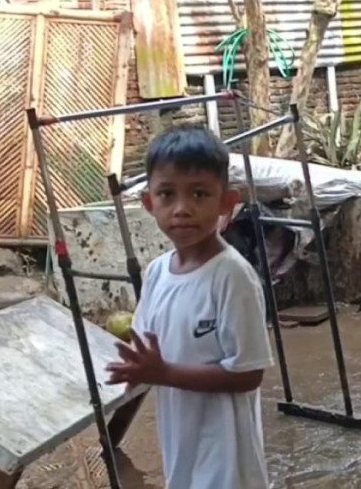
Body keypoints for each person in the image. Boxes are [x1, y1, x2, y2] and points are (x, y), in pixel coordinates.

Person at [105, 126, 274, 489]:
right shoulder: (156, 275)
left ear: (227, 203)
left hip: (229, 467)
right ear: (149, 204)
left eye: (199, 194)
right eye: (167, 194)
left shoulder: (233, 277)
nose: (182, 209)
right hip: (182, 455)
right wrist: (110, 436)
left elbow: (248, 374)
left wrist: (163, 374)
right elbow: (144, 360)